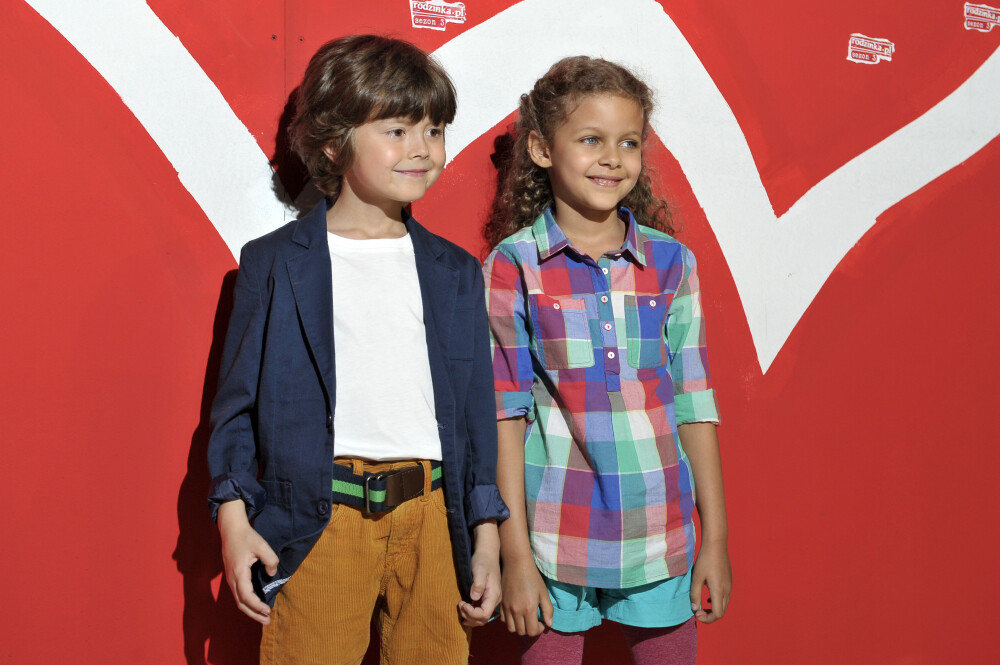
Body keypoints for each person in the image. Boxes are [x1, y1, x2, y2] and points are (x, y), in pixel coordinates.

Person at [207, 34, 509, 665]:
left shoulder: (456, 271)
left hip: (434, 522)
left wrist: (486, 538)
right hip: (320, 521)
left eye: (433, 130)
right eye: (397, 130)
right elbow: (235, 410)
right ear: (333, 142)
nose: (422, 148)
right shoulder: (273, 264)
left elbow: (476, 416)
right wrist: (234, 522)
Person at [482, 56, 732, 665]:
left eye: (629, 142)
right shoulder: (513, 265)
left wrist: (716, 539)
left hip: (660, 536)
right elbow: (503, 416)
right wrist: (515, 555)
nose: (613, 158)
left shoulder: (673, 264)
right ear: (542, 149)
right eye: (591, 139)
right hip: (551, 540)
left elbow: (694, 403)